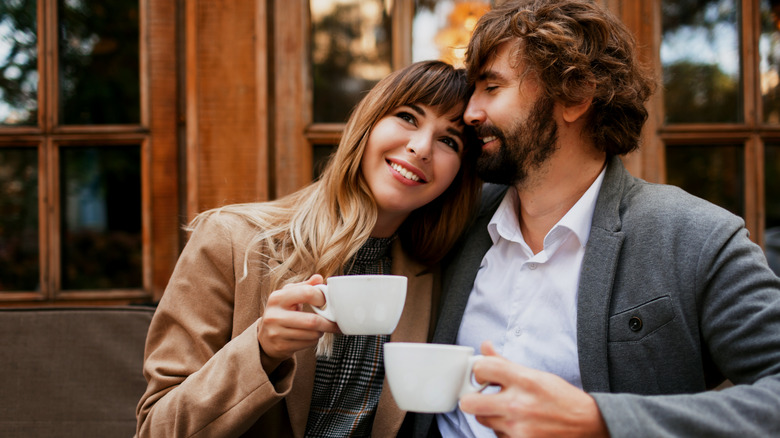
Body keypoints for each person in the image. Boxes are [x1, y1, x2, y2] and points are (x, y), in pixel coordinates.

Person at [410, 1, 780, 437]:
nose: (470, 112)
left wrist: (601, 421)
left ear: (575, 96)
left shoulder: (697, 237)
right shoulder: (452, 218)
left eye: (491, 88)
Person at [135, 60, 482, 438]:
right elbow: (157, 428)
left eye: (449, 141)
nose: (421, 148)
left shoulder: (438, 273)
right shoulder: (231, 241)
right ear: (367, 125)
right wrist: (261, 351)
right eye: (407, 117)